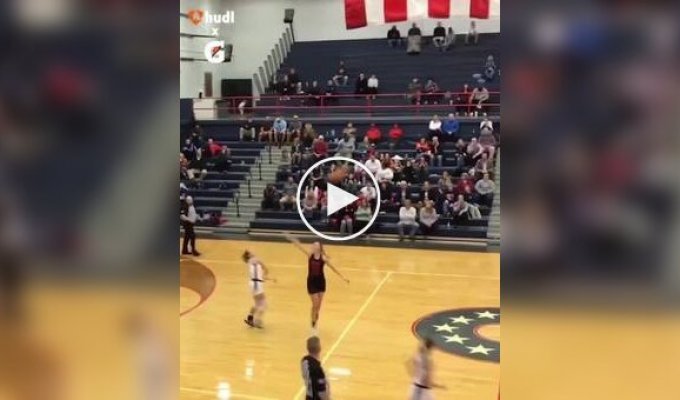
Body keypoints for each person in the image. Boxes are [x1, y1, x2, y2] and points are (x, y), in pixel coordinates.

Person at [285, 234, 349, 332]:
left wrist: (343, 277)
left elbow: (333, 268)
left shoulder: (323, 258)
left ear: (319, 247)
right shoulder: (310, 255)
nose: (314, 247)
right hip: (311, 282)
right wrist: (292, 240)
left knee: (318, 306)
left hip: (321, 282)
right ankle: (313, 325)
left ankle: (315, 317)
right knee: (315, 304)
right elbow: (300, 247)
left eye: (316, 246)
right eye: (313, 245)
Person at [242, 250, 275, 328]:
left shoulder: (251, 262)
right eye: (250, 252)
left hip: (253, 283)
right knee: (264, 304)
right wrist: (266, 273)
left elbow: (261, 275)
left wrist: (268, 278)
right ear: (249, 255)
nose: (253, 252)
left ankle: (250, 317)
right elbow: (266, 269)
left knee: (257, 304)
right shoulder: (255, 259)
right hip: (257, 284)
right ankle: (258, 321)